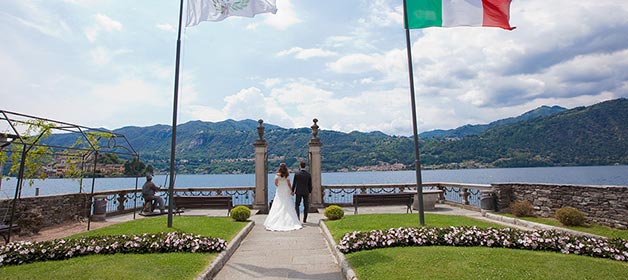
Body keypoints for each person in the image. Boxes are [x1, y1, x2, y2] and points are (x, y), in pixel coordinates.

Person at [264, 163, 302, 231]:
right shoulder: (287, 175)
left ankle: (275, 220)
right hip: (286, 190)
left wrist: (279, 185)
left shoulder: (277, 175)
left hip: (280, 190)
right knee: (287, 205)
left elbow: (275, 183)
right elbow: (289, 183)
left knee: (278, 205)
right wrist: (291, 190)